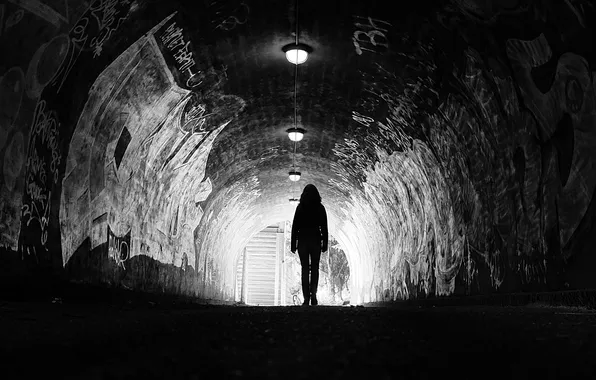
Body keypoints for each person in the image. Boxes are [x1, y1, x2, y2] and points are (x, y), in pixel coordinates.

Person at [290, 184, 328, 306]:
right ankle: (314, 297)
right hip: (315, 239)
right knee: (315, 269)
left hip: (303, 240)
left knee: (305, 269)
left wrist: (293, 244)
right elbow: (324, 227)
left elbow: (295, 226)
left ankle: (306, 298)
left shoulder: (300, 207)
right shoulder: (320, 208)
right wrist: (325, 243)